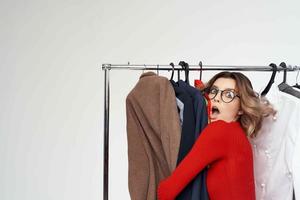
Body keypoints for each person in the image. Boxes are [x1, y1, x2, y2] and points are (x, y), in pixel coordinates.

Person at [157, 71, 275, 200]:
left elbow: (167, 191)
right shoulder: (238, 134)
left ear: (241, 108)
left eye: (228, 94)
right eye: (213, 91)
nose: (217, 98)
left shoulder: (220, 131)